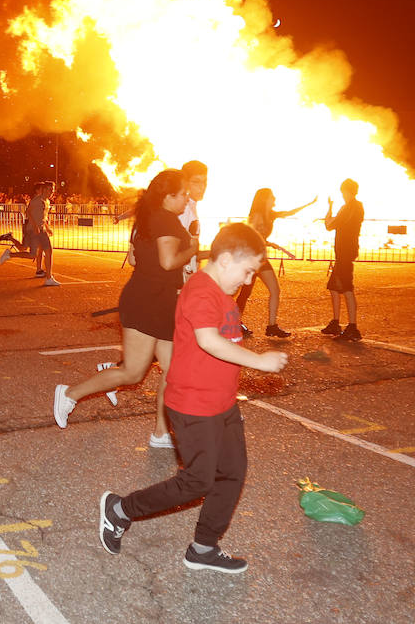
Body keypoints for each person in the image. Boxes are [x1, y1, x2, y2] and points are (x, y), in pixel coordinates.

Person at [97, 223, 288, 573]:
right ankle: (120, 509)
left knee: (232, 472)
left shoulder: (221, 291)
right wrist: (260, 361)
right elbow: (209, 341)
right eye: (248, 271)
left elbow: (223, 344)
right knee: (198, 480)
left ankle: (203, 548)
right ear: (227, 259)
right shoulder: (202, 291)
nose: (248, 281)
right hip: (192, 405)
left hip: (222, 403)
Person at [53, 170, 195, 447]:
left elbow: (132, 259)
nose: (187, 200)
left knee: (173, 369)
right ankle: (69, 393)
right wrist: (193, 249)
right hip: (149, 302)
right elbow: (168, 262)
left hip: (158, 299)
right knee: (133, 372)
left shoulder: (146, 217)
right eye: (183, 195)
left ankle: (161, 432)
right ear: (168, 196)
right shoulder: (165, 219)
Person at [234, 189, 314, 337]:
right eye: (272, 196)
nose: (274, 198)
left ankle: (272, 326)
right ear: (264, 199)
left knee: (274, 290)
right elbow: (250, 236)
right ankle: (232, 324)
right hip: (252, 258)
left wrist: (310, 204)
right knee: (243, 294)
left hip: (261, 259)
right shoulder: (256, 216)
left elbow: (289, 212)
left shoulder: (271, 214)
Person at [320, 179, 364, 342]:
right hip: (341, 253)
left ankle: (353, 327)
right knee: (333, 287)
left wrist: (332, 215)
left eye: (343, 191)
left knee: (347, 289)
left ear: (346, 191)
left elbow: (330, 224)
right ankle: (336, 322)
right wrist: (331, 208)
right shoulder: (346, 207)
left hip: (346, 253)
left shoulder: (354, 206)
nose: (342, 194)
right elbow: (329, 224)